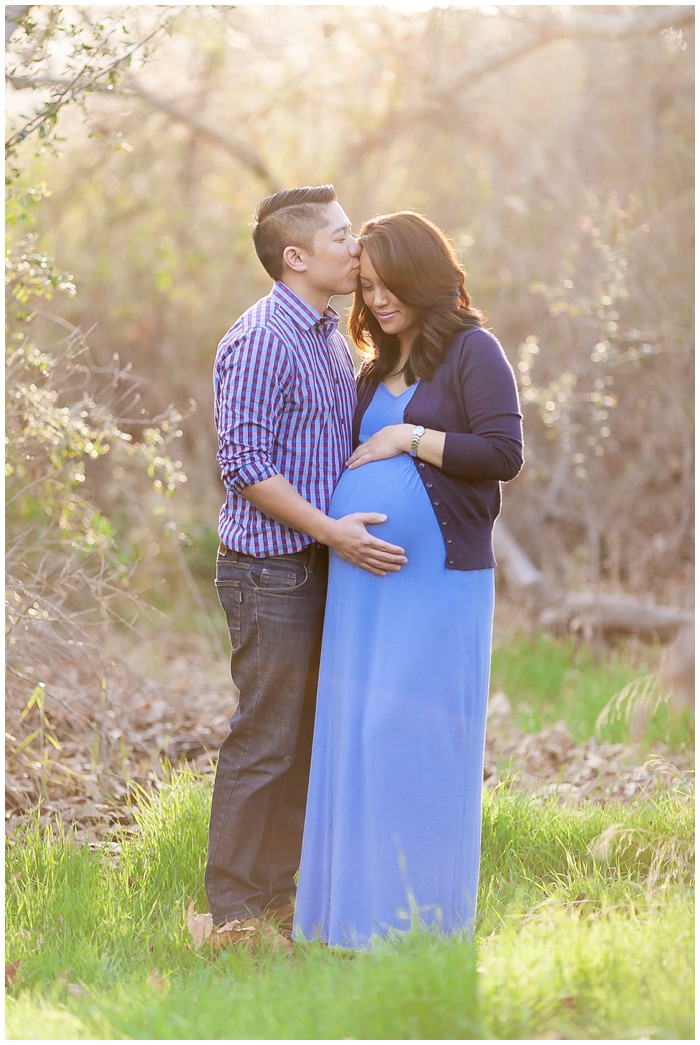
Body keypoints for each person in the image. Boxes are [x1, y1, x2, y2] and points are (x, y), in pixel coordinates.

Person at [293, 210, 524, 950]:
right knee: (359, 735)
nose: (379, 299)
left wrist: (407, 437)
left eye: (392, 284)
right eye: (369, 285)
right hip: (363, 587)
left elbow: (503, 452)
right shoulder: (370, 369)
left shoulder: (472, 351)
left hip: (438, 582)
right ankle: (352, 920)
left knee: (415, 735)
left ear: (425, 277)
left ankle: (421, 924)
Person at [206, 186, 407, 951]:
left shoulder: (327, 332)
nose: (357, 250)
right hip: (271, 570)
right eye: (342, 237)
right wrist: (333, 531)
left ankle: (278, 897)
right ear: (297, 257)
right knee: (266, 739)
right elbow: (247, 466)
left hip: (322, 563)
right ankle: (232, 911)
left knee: (308, 736)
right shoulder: (260, 339)